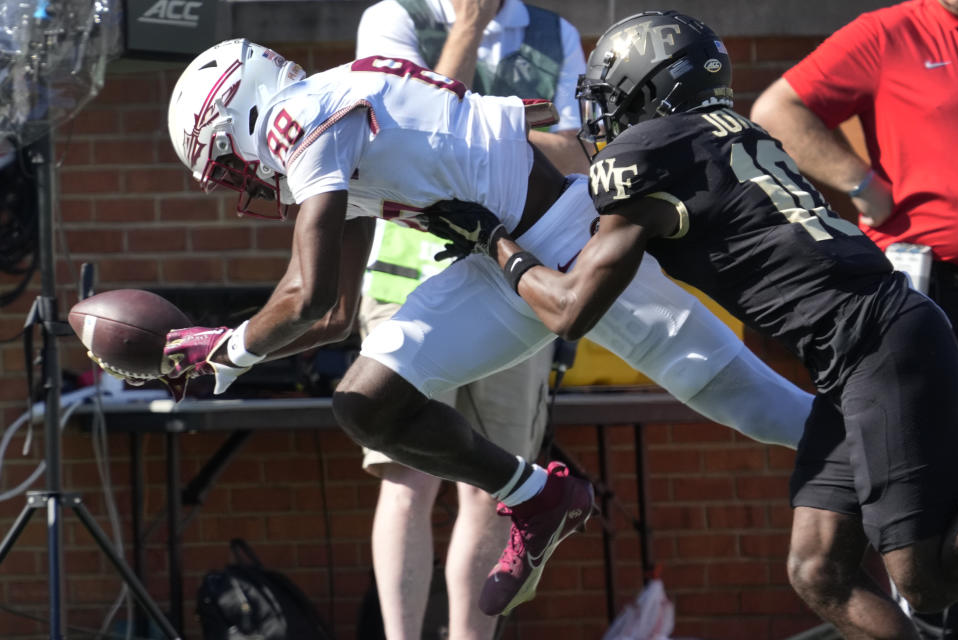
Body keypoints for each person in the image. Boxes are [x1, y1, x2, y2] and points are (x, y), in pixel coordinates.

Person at [151, 37, 814, 617]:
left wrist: (225, 351)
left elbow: (305, 292)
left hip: (564, 241)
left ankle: (882, 442)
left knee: (756, 404)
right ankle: (539, 496)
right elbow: (333, 315)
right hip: (497, 258)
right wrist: (232, 359)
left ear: (243, 112)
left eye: (228, 162)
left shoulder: (303, 115)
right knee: (366, 399)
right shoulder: (342, 110)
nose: (245, 182)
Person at [423, 10, 958, 637]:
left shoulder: (650, 152)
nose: (606, 115)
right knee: (819, 572)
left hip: (874, 347)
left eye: (615, 96)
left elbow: (571, 308)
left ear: (653, 88)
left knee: (922, 579)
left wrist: (493, 242)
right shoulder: (727, 133)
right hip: (866, 346)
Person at [353, 1, 583, 637]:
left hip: (517, 283)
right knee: (408, 477)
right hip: (408, 280)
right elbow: (397, 130)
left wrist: (475, 143)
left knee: (497, 480)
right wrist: (467, 29)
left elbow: (577, 152)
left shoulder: (554, 33)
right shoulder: (391, 19)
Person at [749, 3, 958, 634]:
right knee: (823, 568)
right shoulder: (892, 31)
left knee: (924, 575)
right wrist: (861, 181)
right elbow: (774, 110)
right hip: (912, 294)